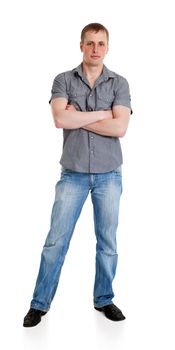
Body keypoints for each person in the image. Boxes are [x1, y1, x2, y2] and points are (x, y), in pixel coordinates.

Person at [23, 22, 132, 327]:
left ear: (107, 47)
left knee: (107, 241)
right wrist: (102, 114)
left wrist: (78, 118)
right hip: (72, 174)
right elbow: (59, 119)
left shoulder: (119, 84)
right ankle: (39, 303)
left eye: (101, 43)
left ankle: (105, 299)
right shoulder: (63, 80)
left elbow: (120, 128)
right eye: (90, 43)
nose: (95, 49)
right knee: (56, 240)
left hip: (109, 174)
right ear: (81, 46)